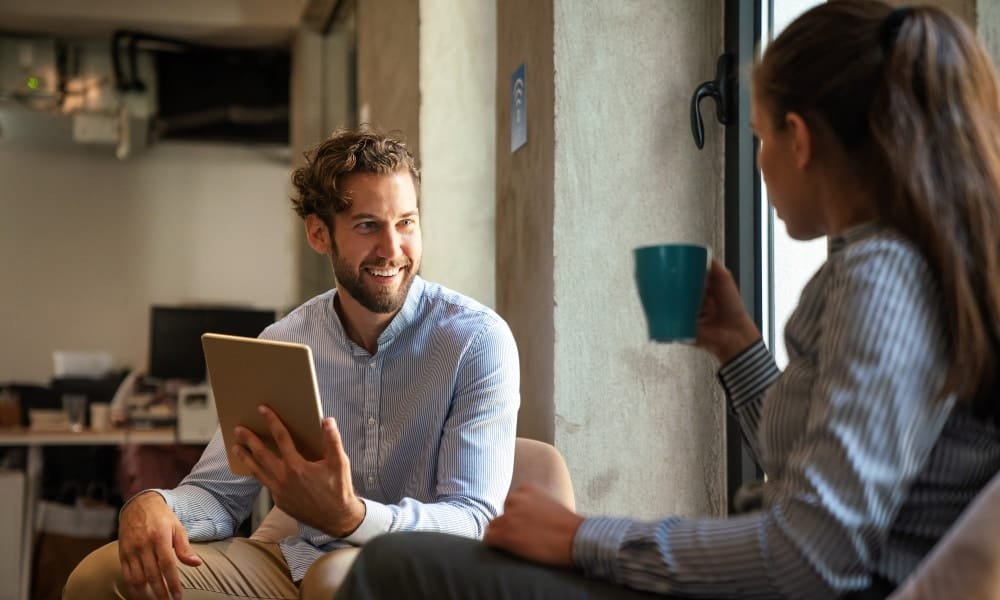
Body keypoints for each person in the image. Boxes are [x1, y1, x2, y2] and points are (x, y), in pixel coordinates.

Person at [334, 2, 1000, 599]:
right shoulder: (905, 264)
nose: (760, 159)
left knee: (398, 569)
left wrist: (581, 537)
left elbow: (812, 556)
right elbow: (819, 474)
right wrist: (739, 347)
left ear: (799, 140)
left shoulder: (881, 278)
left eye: (762, 136)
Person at [64, 127, 520, 600]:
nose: (392, 249)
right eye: (368, 225)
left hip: (418, 576)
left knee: (334, 582)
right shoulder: (282, 342)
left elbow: (474, 519)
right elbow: (221, 494)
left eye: (406, 222)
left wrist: (354, 518)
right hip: (297, 564)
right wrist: (154, 504)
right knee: (101, 577)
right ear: (319, 233)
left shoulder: (476, 341)